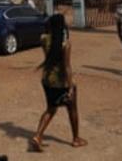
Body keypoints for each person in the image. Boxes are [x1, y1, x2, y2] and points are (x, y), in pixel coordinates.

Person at [30, 14, 87, 152]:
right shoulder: (65, 44)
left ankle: (38, 136)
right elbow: (67, 67)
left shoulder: (43, 39)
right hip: (61, 81)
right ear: (62, 26)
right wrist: (70, 86)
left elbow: (46, 32)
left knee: (51, 108)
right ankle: (76, 139)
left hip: (47, 79)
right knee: (72, 108)